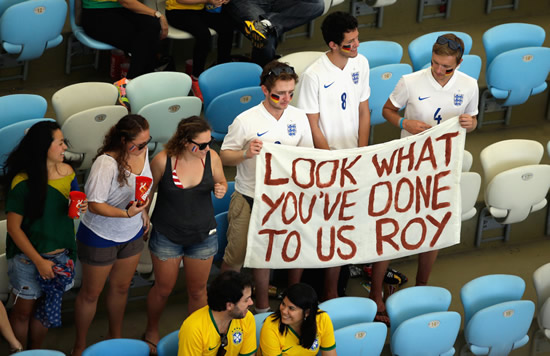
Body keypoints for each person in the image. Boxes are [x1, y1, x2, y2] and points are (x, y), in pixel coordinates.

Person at [371, 33, 478, 324]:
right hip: (408, 166)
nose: (439, 70)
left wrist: (472, 122)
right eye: (435, 64)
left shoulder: (468, 85)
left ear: (460, 63)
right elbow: (388, 110)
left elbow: (472, 118)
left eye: (447, 67)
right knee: (392, 229)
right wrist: (405, 122)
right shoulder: (411, 81)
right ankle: (376, 294)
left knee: (433, 230)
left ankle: (421, 287)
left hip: (443, 166)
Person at [220, 60, 313, 313]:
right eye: (279, 94)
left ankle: (262, 308)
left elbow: (307, 158)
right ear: (264, 90)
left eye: (290, 93)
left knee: (266, 256)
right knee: (235, 258)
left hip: (284, 199)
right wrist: (245, 153)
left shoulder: (299, 117)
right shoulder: (245, 120)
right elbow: (223, 156)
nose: (286, 99)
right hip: (249, 196)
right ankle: (222, 306)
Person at [297, 11, 371, 301]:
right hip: (326, 160)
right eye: (349, 43)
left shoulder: (361, 63)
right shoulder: (313, 75)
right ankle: (325, 288)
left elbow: (364, 111)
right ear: (332, 44)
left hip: (355, 155)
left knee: (350, 221)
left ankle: (341, 277)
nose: (356, 46)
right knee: (328, 226)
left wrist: (362, 152)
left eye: (356, 40)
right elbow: (311, 124)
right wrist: (329, 160)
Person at [142, 116, 228, 350]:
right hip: (167, 234)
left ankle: (195, 335)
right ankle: (151, 328)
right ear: (183, 141)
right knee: (162, 288)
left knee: (198, 290)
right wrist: (143, 216)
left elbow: (221, 181)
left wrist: (221, 188)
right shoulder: (162, 161)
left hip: (203, 234)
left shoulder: (211, 157)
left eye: (209, 143)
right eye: (201, 145)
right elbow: (146, 194)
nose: (206, 148)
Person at [2, 121, 87, 350]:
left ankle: (35, 353)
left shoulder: (68, 172)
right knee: (23, 312)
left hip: (60, 256)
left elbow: (75, 201)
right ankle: (19, 352)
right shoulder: (22, 182)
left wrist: (80, 206)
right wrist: (39, 262)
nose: (64, 148)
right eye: (60, 143)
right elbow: (13, 228)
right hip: (27, 260)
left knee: (45, 311)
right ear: (43, 147)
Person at [72, 115, 152, 356]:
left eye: (147, 142)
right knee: (90, 294)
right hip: (100, 235)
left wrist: (143, 212)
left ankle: (114, 337)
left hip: (131, 233)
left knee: (121, 288)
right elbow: (95, 204)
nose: (144, 148)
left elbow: (144, 187)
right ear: (123, 140)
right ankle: (79, 346)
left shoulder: (143, 152)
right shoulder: (105, 164)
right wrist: (127, 215)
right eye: (139, 144)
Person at [165, 0, 234, 101]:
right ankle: (196, 78)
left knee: (226, 27)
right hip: (177, 11)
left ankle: (222, 70)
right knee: (204, 36)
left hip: (200, 10)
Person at [81, 0, 168, 79]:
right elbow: (126, 2)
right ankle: (134, 82)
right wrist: (158, 15)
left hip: (120, 9)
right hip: (96, 14)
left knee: (152, 26)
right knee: (144, 41)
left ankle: (141, 79)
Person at [178, 271, 256, 355]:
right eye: (246, 300)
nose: (251, 303)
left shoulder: (247, 318)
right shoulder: (193, 329)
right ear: (229, 305)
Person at [225, 0, 325, 66]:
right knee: (265, 37)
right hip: (245, 2)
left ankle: (268, 23)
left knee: (317, 4)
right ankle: (262, 83)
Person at [259, 283, 336, 356]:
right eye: (283, 304)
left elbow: (330, 353)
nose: (284, 311)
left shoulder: (322, 319)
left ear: (307, 312)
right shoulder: (270, 327)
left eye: (291, 308)